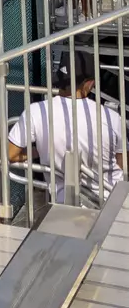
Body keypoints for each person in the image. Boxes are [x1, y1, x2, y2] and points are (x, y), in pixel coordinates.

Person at [8, 52, 125, 206]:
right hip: (112, 201)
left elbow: (10, 154)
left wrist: (40, 151)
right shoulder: (112, 117)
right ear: (90, 84)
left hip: (64, 203)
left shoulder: (37, 112)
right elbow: (123, 164)